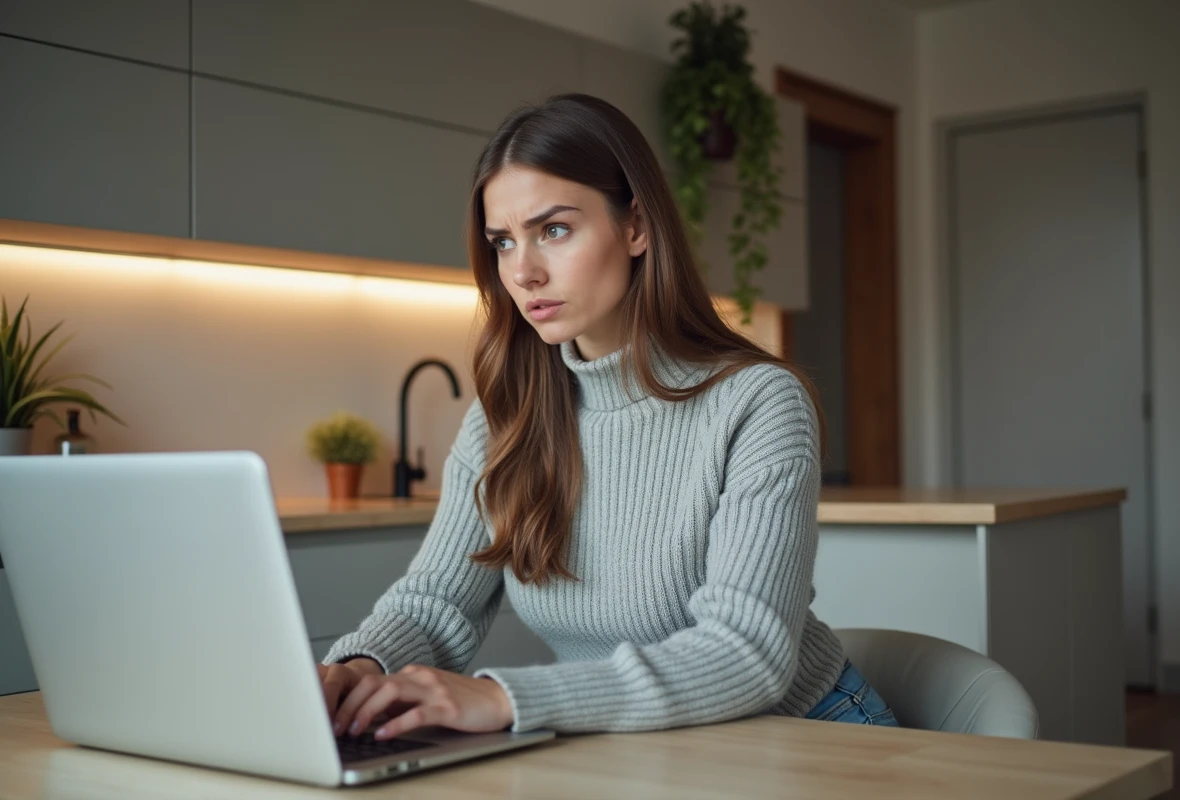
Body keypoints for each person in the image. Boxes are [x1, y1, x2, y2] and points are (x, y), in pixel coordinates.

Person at [318, 93, 897, 741]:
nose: (524, 271)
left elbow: (746, 653)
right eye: (503, 242)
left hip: (804, 733)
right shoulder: (506, 416)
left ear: (637, 227)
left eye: (554, 230)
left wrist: (508, 698)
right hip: (632, 744)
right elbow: (436, 602)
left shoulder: (757, 401)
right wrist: (357, 668)